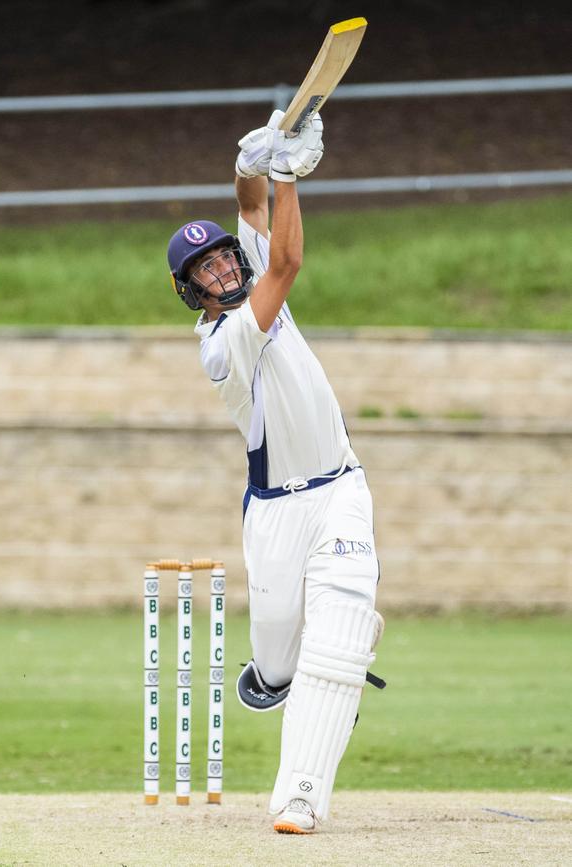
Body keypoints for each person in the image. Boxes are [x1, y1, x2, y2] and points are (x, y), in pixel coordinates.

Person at [167, 111, 384, 834]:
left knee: (341, 630)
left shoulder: (249, 263)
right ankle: (291, 674)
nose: (224, 267)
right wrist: (288, 171)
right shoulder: (225, 342)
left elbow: (251, 203)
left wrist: (254, 159)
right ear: (194, 290)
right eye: (207, 269)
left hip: (340, 488)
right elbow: (287, 263)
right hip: (274, 515)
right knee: (283, 666)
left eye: (225, 258)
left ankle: (299, 795)